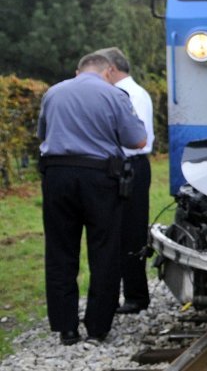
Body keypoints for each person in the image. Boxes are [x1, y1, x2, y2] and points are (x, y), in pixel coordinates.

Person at [37, 52, 147, 345]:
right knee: (104, 249)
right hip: (100, 178)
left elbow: (43, 134)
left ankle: (66, 328)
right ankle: (98, 327)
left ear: (79, 70)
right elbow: (138, 140)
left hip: (56, 176)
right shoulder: (114, 95)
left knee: (60, 251)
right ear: (107, 70)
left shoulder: (53, 92)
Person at [98, 47, 155, 315]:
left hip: (130, 165)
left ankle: (135, 295)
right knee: (122, 231)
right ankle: (130, 292)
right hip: (128, 165)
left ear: (110, 69)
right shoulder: (130, 92)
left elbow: (135, 136)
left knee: (131, 231)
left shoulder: (129, 94)